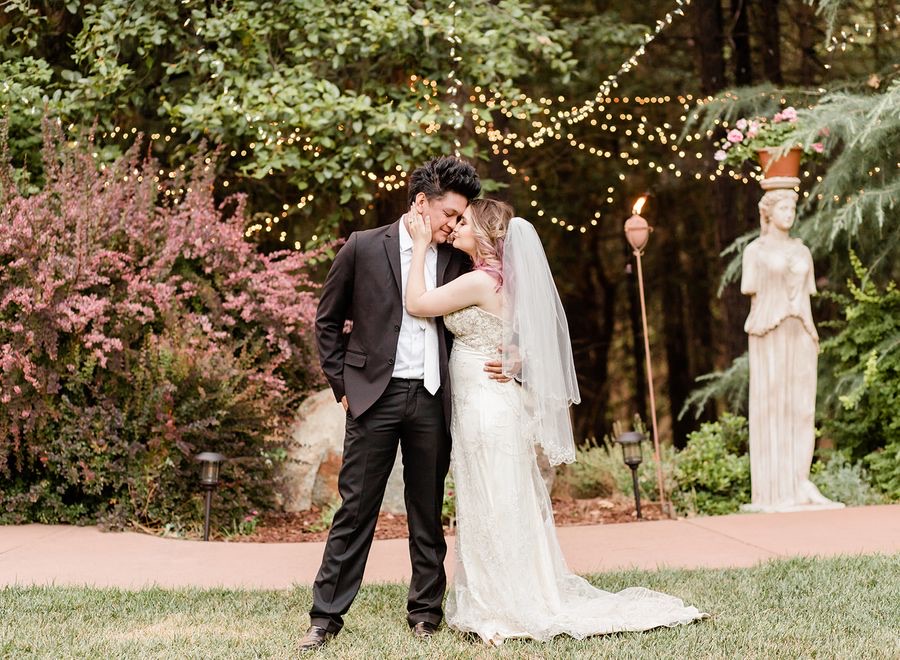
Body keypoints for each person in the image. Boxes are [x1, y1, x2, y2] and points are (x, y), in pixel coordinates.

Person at [405, 198, 706, 645]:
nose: (457, 227)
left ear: (486, 235)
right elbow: (534, 336)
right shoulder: (505, 282)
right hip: (487, 402)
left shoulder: (478, 280)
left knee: (493, 496)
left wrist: (419, 242)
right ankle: (507, 591)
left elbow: (416, 303)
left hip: (487, 406)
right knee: (498, 495)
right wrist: (518, 355)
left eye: (464, 222)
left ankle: (502, 602)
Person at [299, 156, 509, 652]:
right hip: (373, 397)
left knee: (426, 511)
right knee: (356, 510)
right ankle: (325, 618)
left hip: (433, 399)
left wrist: (513, 354)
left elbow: (502, 304)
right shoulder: (363, 246)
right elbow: (327, 323)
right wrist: (344, 387)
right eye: (450, 214)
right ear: (421, 203)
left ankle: (425, 614)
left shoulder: (459, 257)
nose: (455, 225)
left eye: (461, 218)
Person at [741, 188, 838, 511]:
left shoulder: (802, 251)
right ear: (768, 212)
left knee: (802, 408)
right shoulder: (755, 251)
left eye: (792, 207)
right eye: (783, 207)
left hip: (801, 330)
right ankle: (774, 488)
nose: (789, 213)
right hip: (769, 329)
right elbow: (750, 288)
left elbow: (807, 295)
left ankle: (800, 481)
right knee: (773, 404)